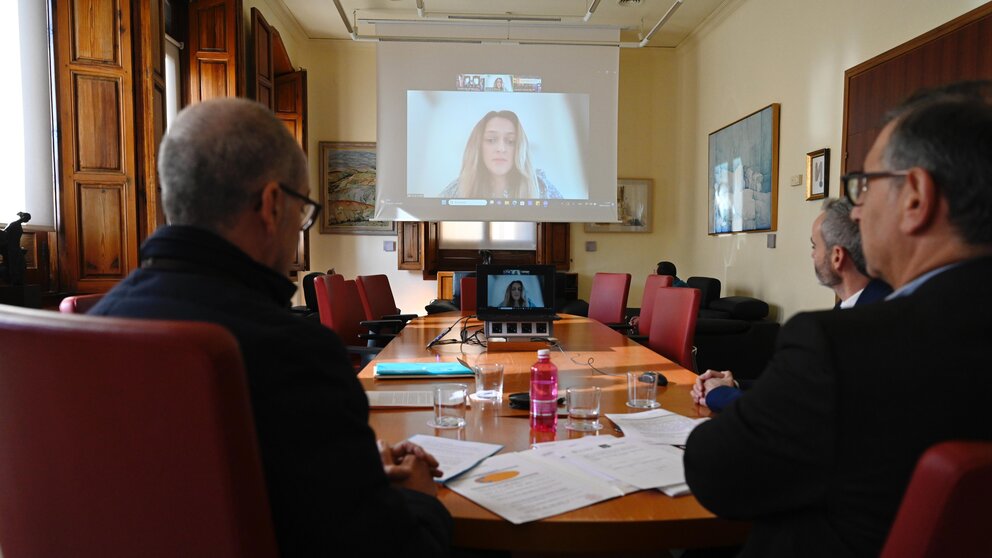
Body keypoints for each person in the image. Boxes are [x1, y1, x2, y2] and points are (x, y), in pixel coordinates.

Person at [89, 98, 452, 556]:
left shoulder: (96, 326)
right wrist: (418, 495)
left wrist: (354, 471)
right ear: (273, 205)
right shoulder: (295, 353)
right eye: (303, 212)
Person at [684, 81, 992, 557]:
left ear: (915, 197)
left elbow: (715, 473)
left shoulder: (842, 348)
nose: (859, 209)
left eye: (865, 188)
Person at [693, 199, 893, 411]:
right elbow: (800, 387)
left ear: (837, 257)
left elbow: (796, 408)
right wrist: (733, 384)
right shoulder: (855, 306)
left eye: (815, 246)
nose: (812, 254)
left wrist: (719, 394)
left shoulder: (872, 320)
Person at [439, 110, 563, 199]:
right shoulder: (455, 191)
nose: (501, 148)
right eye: (491, 140)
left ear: (519, 147)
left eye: (510, 141)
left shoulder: (542, 188)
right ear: (478, 146)